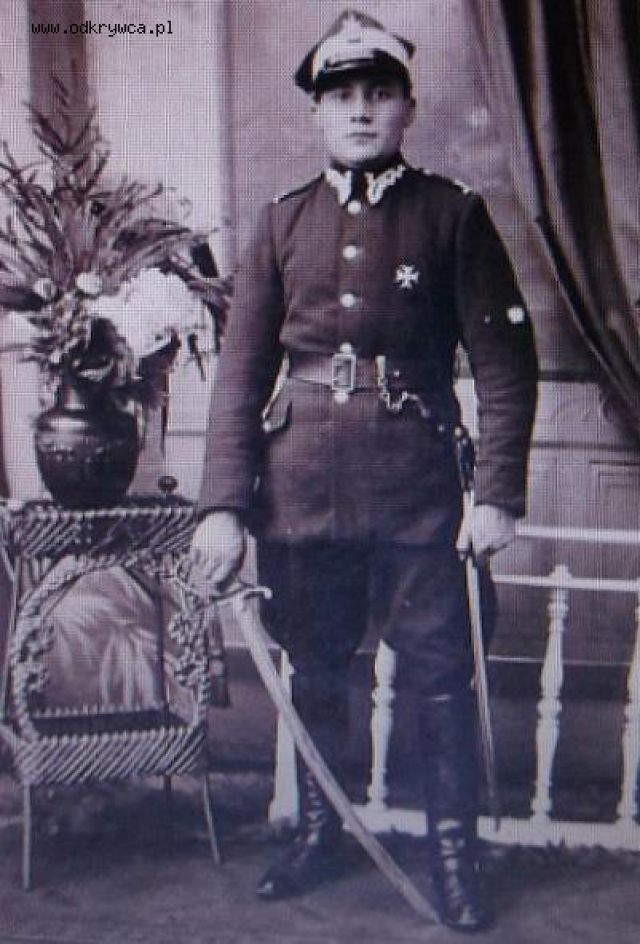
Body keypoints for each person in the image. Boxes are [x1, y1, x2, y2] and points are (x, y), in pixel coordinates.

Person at [192, 9, 538, 933]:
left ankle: (454, 854)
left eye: (378, 94)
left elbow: (505, 363)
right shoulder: (281, 221)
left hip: (418, 491)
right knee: (315, 667)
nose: (359, 112)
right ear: (316, 111)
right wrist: (223, 505)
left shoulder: (452, 214)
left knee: (438, 672)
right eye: (341, 96)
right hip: (299, 489)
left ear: (407, 108)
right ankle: (321, 832)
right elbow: (240, 375)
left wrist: (497, 495)